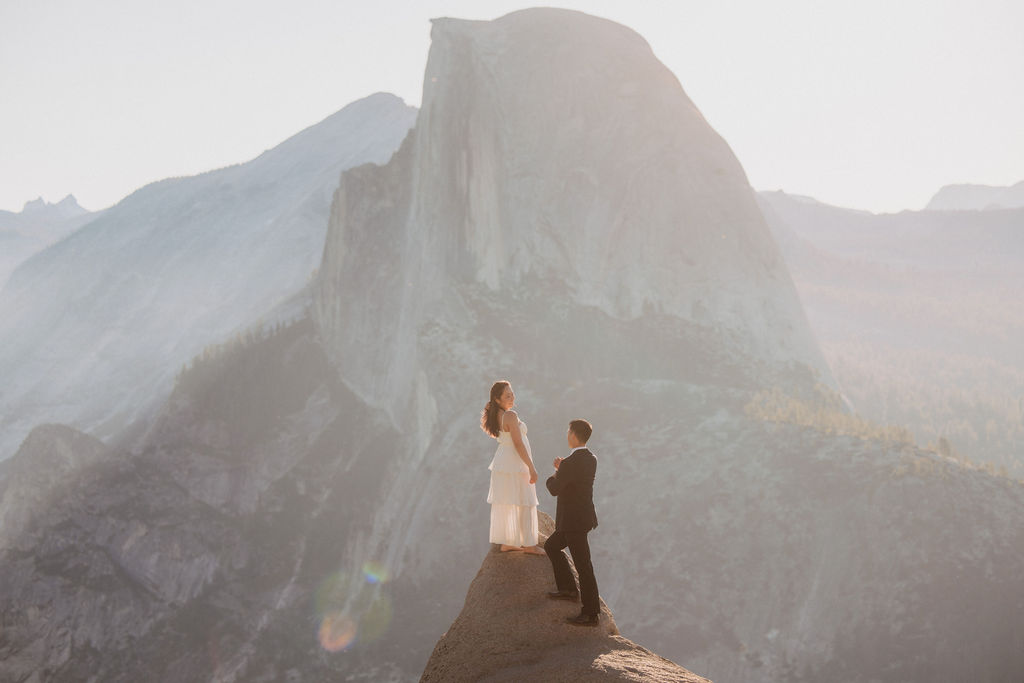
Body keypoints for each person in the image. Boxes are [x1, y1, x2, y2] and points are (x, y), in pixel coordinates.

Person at [544, 418, 601, 626]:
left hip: (571, 522)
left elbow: (554, 489)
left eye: (568, 432)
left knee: (583, 565)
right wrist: (564, 469)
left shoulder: (569, 463)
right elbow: (574, 482)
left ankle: (591, 613)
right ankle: (568, 588)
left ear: (574, 435)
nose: (567, 435)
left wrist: (556, 471)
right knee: (551, 546)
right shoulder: (591, 458)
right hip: (582, 518)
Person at [480, 381, 544, 554]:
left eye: (512, 393)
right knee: (524, 499)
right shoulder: (510, 415)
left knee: (509, 500)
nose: (512, 397)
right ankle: (529, 545)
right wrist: (531, 467)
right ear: (497, 399)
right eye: (507, 395)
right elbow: (518, 443)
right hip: (515, 462)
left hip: (503, 462)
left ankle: (508, 541)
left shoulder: (498, 414)